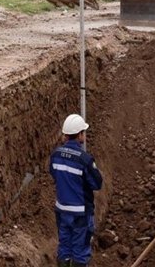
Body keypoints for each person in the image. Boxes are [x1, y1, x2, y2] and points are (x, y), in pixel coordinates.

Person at [50, 114, 103, 267]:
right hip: (81, 212)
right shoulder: (84, 160)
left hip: (61, 210)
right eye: (83, 133)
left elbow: (54, 174)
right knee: (80, 250)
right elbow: (97, 183)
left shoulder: (55, 155)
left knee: (64, 247)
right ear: (79, 135)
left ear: (66, 135)